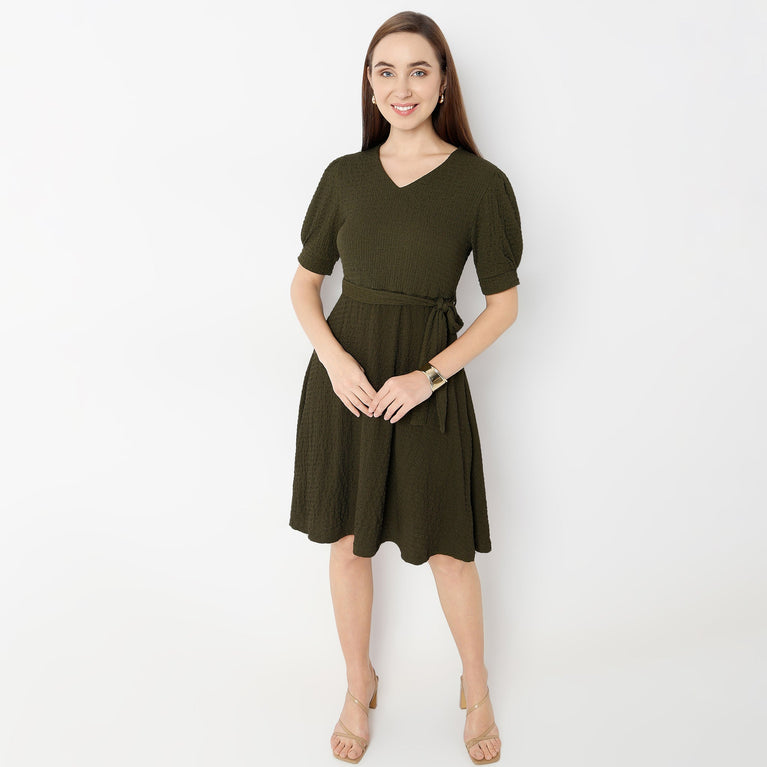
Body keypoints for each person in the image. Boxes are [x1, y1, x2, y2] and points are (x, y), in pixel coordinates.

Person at [288, 10, 522, 765]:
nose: (402, 86)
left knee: (450, 549)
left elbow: (503, 305)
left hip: (425, 381)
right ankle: (358, 683)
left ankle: (476, 686)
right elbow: (304, 285)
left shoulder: (480, 184)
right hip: (347, 382)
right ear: (369, 83)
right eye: (385, 71)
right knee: (347, 544)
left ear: (443, 82)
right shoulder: (344, 177)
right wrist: (334, 361)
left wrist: (429, 377)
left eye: (418, 70)